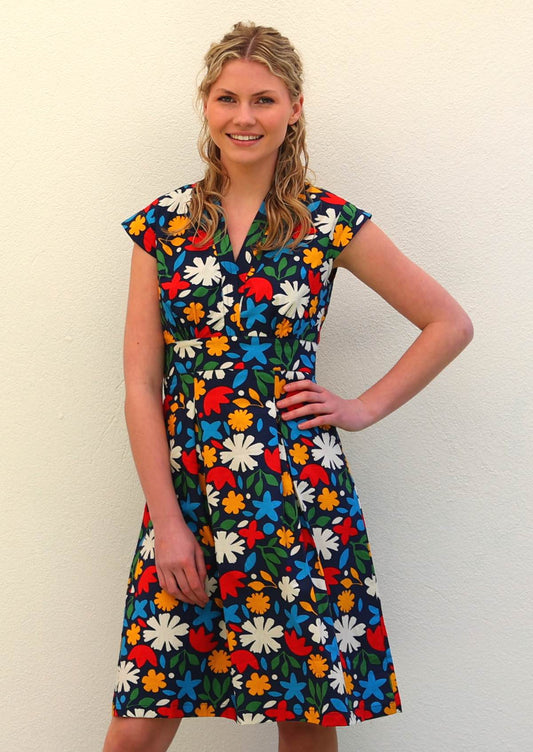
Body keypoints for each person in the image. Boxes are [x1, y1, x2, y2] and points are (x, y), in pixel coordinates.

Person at [103, 21, 473, 752]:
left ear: (293, 108)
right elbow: (142, 385)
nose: (245, 117)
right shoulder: (163, 226)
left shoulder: (328, 221)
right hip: (190, 495)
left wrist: (362, 406)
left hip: (294, 494)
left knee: (302, 711)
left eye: (264, 100)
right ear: (206, 105)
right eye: (228, 98)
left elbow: (446, 323)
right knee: (142, 717)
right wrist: (169, 523)